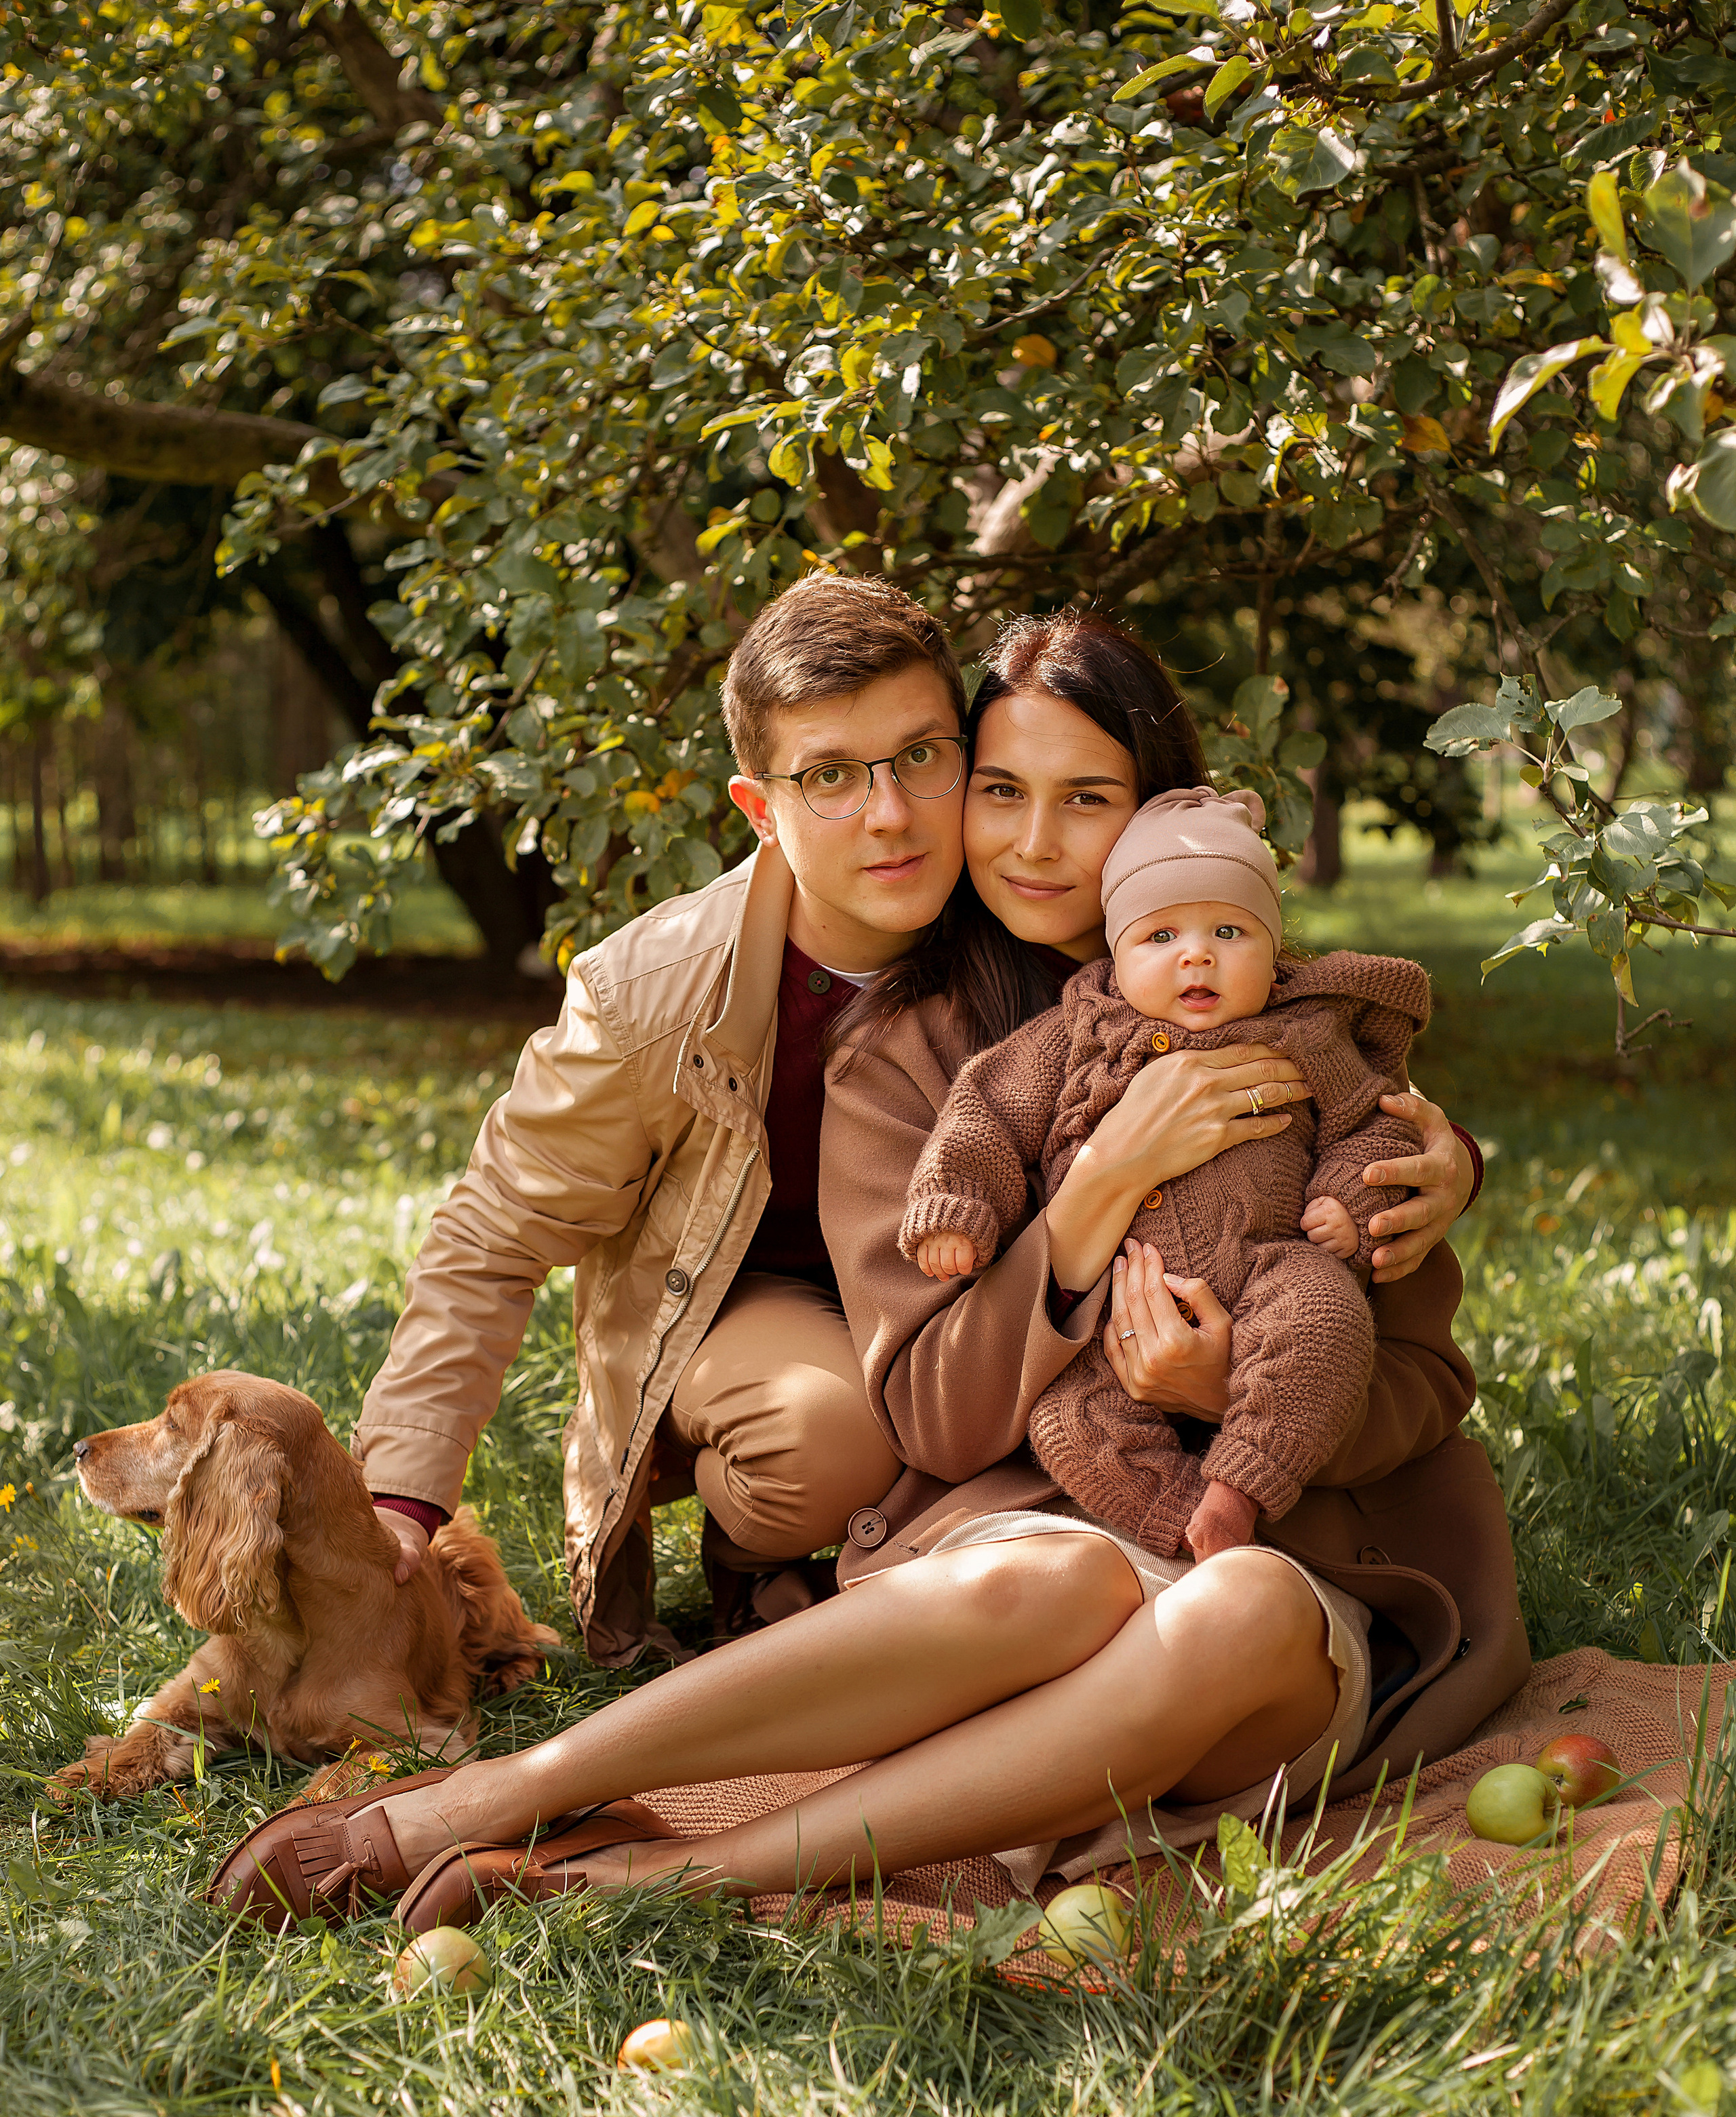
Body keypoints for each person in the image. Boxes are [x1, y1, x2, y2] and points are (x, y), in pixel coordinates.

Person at [210, 599, 1510, 1926]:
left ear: (1164, 814)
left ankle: (666, 1876)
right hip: (1016, 1528)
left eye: (1088, 797)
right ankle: (494, 1801)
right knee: (1046, 1570)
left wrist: (1248, 1385)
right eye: (1001, 790)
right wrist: (1101, 1182)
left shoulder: (1303, 1034)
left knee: (1234, 1608)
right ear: (768, 802)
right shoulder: (907, 1056)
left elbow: (1419, 1380)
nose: (1030, 840)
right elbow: (917, 1411)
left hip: (1287, 1577)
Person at [355, 575, 1474, 1667]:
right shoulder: (666, 996)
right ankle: (765, 1561)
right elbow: (490, 1239)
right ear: (762, 806)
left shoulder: (1125, 957)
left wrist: (1440, 1159)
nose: (892, 816)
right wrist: (399, 1501)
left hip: (980, 1322)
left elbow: (1323, 1080)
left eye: (924, 762)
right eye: (830, 777)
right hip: (752, 1299)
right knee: (833, 1435)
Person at [900, 781, 1434, 1562]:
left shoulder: (1304, 1033)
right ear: (1114, 955)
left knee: (1324, 1319)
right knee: (1068, 1420)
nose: (1198, 955)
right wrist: (956, 1201)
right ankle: (1181, 1524)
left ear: (1274, 951)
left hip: (1265, 1268)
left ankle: (1239, 1490)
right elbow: (984, 1108)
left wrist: (1346, 1199)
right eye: (1159, 937)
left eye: (1229, 931)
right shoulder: (1075, 1034)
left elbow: (1372, 1121)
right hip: (1113, 1312)